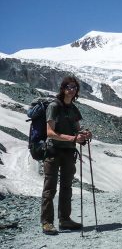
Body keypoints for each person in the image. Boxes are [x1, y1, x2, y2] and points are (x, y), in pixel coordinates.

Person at [41, 76, 92, 235]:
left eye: (75, 87)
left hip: (68, 152)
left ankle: (64, 220)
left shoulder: (73, 108)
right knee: (50, 187)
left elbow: (77, 129)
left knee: (66, 187)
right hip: (54, 151)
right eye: (69, 87)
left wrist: (84, 134)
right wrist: (73, 138)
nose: (72, 89)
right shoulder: (54, 106)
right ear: (63, 88)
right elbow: (49, 132)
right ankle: (47, 222)